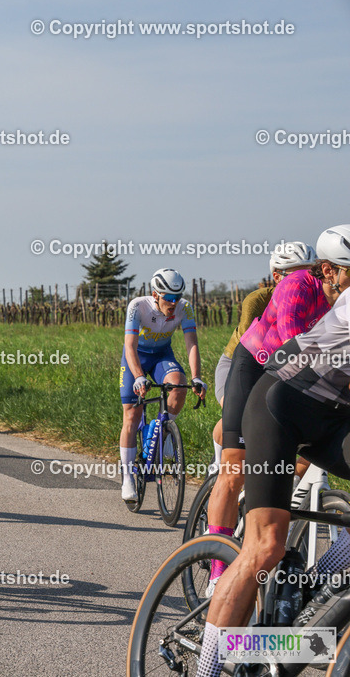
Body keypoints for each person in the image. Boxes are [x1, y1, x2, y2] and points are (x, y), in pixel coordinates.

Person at [196, 225, 350, 677]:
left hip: (333, 415)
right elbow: (284, 340)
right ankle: (208, 666)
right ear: (331, 271)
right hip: (280, 404)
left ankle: (310, 593)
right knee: (265, 546)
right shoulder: (303, 288)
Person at [203, 241, 321, 594]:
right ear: (277, 276)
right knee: (235, 467)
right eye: (293, 273)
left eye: (310, 270)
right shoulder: (261, 298)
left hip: (293, 372)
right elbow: (288, 339)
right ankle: (217, 568)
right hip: (253, 365)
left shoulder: (330, 298)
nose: (303, 278)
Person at [118, 268, 205, 504]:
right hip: (136, 356)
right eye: (169, 297)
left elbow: (191, 344)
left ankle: (163, 431)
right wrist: (138, 376)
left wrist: (196, 377)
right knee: (132, 414)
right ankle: (127, 477)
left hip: (162, 356)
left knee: (179, 385)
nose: (174, 303)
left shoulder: (185, 308)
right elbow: (129, 346)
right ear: (155, 294)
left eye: (178, 297)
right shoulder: (138, 306)